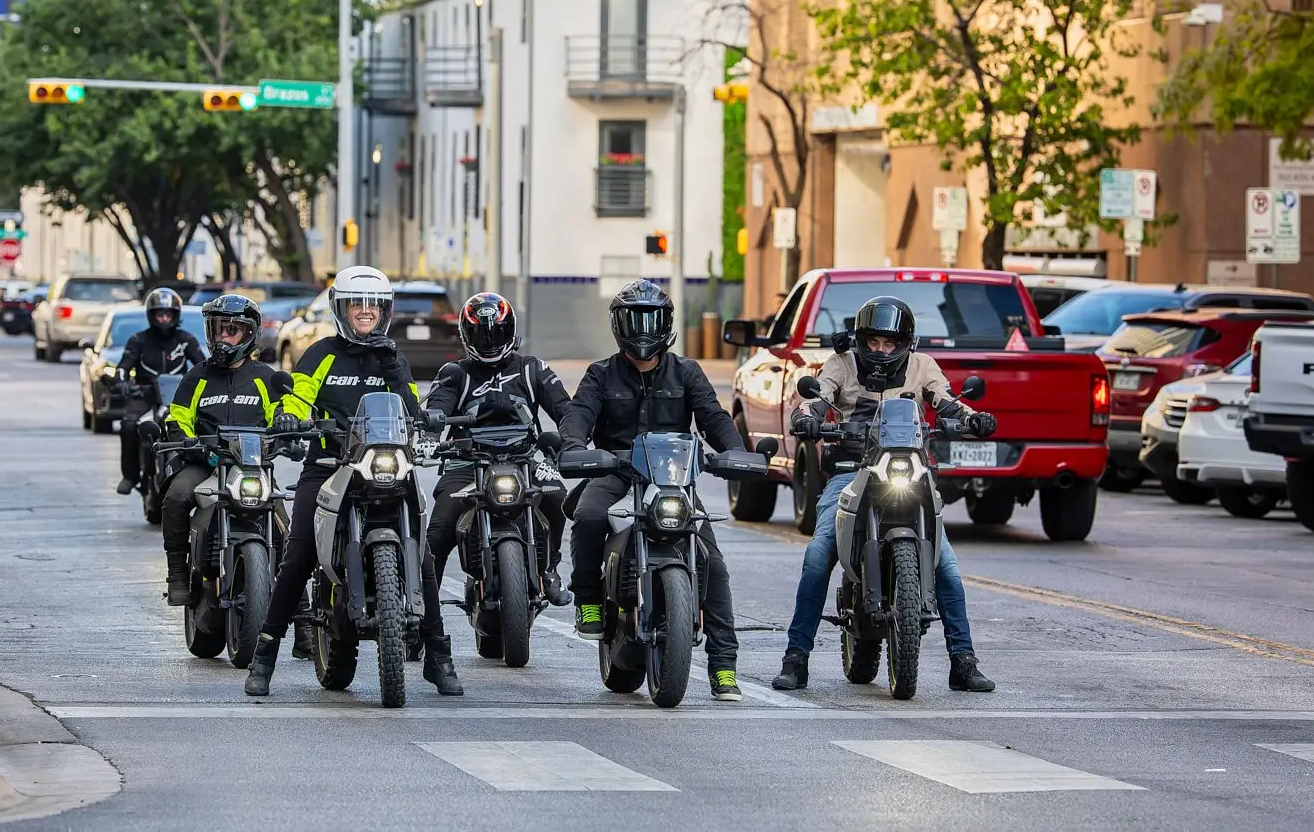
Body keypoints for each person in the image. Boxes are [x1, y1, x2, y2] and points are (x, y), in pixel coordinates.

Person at [243, 266, 463, 699]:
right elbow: (298, 394)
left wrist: (408, 392)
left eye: (373, 306)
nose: (365, 312)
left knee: (422, 554)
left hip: (386, 466)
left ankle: (439, 657)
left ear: (385, 311)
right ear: (340, 308)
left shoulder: (392, 358)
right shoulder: (321, 352)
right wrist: (290, 415)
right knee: (299, 552)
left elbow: (411, 408)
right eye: (356, 305)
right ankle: (264, 655)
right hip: (328, 464)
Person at [772, 295, 997, 694]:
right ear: (861, 339)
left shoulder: (922, 366)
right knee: (818, 554)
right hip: (850, 472)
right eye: (873, 341)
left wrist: (971, 417)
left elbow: (945, 401)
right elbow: (815, 398)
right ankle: (796, 659)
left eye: (889, 343)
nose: (881, 350)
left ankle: (963, 661)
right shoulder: (840, 363)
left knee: (947, 565)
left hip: (910, 470)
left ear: (905, 343)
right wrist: (805, 418)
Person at [560, 279, 747, 702]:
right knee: (588, 516)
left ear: (666, 323)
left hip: (672, 477)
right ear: (618, 324)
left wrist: (735, 453)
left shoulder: (687, 372)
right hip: (616, 468)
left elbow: (714, 419)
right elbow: (578, 414)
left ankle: (723, 668)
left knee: (711, 561)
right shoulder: (600, 373)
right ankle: (588, 600)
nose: (643, 328)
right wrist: (574, 447)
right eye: (634, 318)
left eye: (651, 317)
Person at [424, 293, 572, 607]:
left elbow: (567, 411)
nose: (489, 341)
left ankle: (550, 568)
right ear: (466, 336)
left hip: (525, 457)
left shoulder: (533, 368)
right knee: (437, 531)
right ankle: (422, 615)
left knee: (559, 495)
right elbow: (435, 412)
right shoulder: (454, 373)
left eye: (496, 333)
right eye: (481, 334)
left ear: (510, 331)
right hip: (466, 461)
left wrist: (572, 440)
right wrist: (428, 436)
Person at [162, 294, 279, 606]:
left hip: (252, 466)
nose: (224, 337)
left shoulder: (266, 377)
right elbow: (177, 417)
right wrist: (190, 443)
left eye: (232, 330)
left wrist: (284, 434)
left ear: (249, 333)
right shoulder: (197, 375)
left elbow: (284, 415)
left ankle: (302, 613)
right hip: (206, 461)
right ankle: (177, 573)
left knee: (285, 527)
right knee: (175, 497)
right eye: (218, 330)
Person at [112, 288, 203, 496]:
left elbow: (202, 366)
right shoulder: (138, 339)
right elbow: (123, 366)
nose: (163, 319)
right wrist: (122, 381)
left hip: (177, 397)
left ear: (175, 315)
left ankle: (196, 470)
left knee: (201, 424)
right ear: (151, 315)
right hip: (144, 394)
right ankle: (130, 475)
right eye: (159, 314)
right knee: (128, 426)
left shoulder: (186, 339)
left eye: (168, 314)